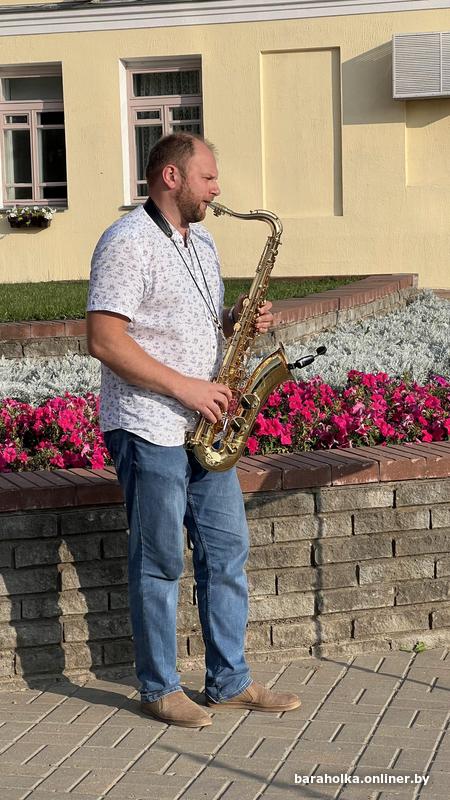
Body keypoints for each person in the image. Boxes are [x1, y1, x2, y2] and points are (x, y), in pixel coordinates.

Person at [87, 133, 300, 728]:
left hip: (207, 428)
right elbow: (103, 340)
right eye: (208, 177)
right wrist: (185, 387)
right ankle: (159, 688)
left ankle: (228, 682)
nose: (218, 188)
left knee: (226, 553)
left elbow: (190, 321)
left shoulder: (201, 240)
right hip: (148, 424)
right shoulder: (126, 241)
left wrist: (236, 320)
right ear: (172, 177)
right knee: (159, 560)